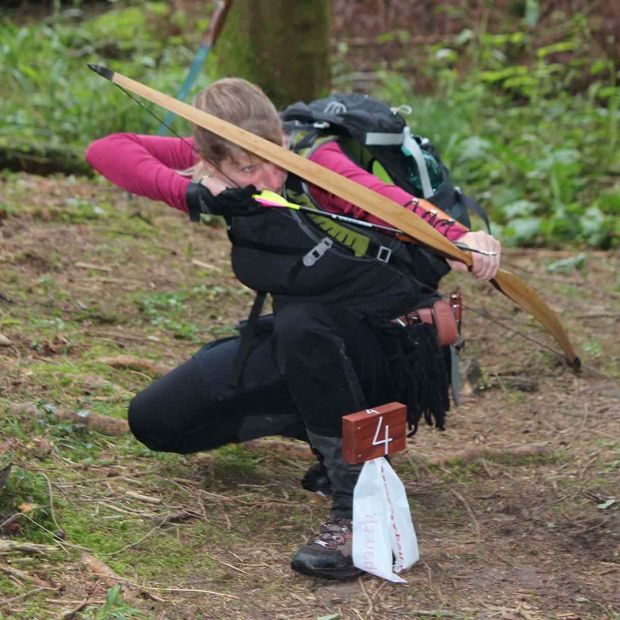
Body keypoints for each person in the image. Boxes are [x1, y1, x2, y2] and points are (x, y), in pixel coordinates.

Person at [86, 77, 501, 580]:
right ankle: (335, 434)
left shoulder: (314, 160)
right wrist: (194, 192)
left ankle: (356, 509)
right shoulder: (207, 167)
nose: (269, 176)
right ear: (211, 161)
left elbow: (385, 199)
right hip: (312, 350)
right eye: (246, 168)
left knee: (302, 321)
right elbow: (106, 149)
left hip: (394, 352)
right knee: (156, 420)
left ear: (281, 136)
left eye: (273, 155)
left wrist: (462, 238)